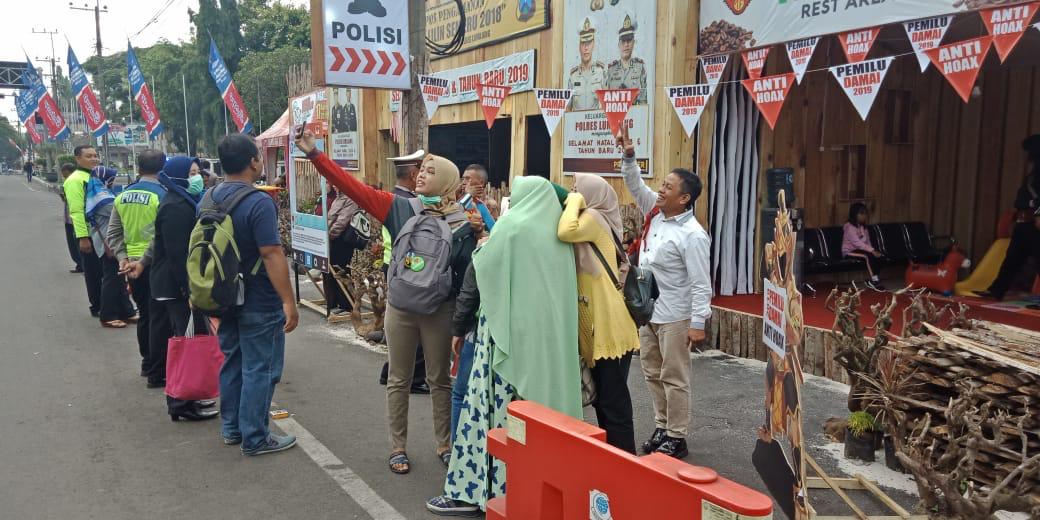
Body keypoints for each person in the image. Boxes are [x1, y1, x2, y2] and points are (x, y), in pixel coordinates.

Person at [297, 131, 477, 475]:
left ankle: (445, 443)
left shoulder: (463, 222)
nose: (420, 174)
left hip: (440, 309)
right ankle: (398, 447)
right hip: (402, 306)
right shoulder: (400, 207)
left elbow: (469, 273)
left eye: (429, 170)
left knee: (439, 380)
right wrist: (315, 155)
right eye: (421, 170)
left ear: (448, 181)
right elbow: (352, 187)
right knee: (399, 377)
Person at [426, 176, 582, 516]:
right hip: (544, 349)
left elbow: (483, 268)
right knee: (536, 419)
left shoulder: (512, 228)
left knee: (491, 414)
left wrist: (482, 246)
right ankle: (531, 493)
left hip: (503, 342)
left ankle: (477, 491)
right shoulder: (558, 236)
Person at [619, 126, 711, 459]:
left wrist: (698, 322)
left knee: (675, 376)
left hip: (675, 316)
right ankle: (661, 426)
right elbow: (634, 183)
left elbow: (702, 283)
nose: (660, 190)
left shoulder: (693, 234)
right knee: (651, 372)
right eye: (663, 184)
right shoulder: (656, 213)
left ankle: (677, 435)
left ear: (684, 198)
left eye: (668, 187)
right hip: (648, 312)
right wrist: (629, 155)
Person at [211, 134, 300, 455]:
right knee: (260, 368)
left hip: (222, 295)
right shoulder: (258, 201)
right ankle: (256, 437)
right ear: (252, 162)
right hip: (259, 299)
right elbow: (271, 253)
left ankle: (232, 428)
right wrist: (289, 301)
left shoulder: (208, 198)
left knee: (232, 361)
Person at [130, 156, 219, 421]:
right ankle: (181, 402)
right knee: (186, 343)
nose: (197, 177)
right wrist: (190, 290)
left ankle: (188, 396)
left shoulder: (183, 201)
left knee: (189, 340)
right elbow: (179, 255)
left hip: (176, 283)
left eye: (197, 172)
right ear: (178, 175)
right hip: (175, 285)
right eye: (191, 173)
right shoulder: (175, 207)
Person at [557, 173, 640, 453]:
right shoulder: (595, 217)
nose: (571, 193)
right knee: (604, 396)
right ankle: (614, 456)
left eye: (577, 189)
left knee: (613, 399)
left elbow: (565, 231)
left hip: (609, 321)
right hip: (600, 318)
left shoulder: (593, 217)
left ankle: (625, 459)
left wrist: (575, 202)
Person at [107, 150, 168, 380]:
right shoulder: (161, 195)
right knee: (160, 317)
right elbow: (161, 234)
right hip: (154, 263)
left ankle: (147, 361)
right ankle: (157, 368)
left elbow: (113, 231)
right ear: (162, 170)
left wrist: (122, 257)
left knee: (145, 314)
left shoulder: (122, 196)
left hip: (131, 264)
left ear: (139, 169)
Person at [377, 150, 428, 395]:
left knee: (402, 325)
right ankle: (412, 377)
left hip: (392, 264)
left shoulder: (394, 197)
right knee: (414, 325)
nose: (424, 176)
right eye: (422, 171)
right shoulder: (405, 203)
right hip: (406, 266)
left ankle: (391, 372)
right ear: (412, 173)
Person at [978, 134, 1040, 301]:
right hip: (1023, 224)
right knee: (1011, 260)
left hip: (1034, 224)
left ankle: (997, 290)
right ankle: (997, 290)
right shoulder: (1034, 171)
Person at [92, 166, 138, 329]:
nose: (113, 181)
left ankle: (127, 311)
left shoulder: (100, 193)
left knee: (119, 277)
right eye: (112, 178)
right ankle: (108, 314)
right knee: (112, 278)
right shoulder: (103, 198)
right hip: (108, 243)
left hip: (107, 241)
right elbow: (122, 210)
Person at [65, 146, 103, 317]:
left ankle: (109, 303)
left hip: (101, 233)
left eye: (95, 156)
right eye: (89, 156)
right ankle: (97, 306)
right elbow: (76, 211)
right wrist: (83, 237)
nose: (94, 159)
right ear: (77, 159)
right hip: (88, 233)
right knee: (93, 271)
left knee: (106, 271)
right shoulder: (75, 180)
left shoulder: (94, 176)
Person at [325, 185, 364, 314]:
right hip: (332, 239)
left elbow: (342, 221)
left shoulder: (350, 198)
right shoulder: (339, 197)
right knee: (331, 270)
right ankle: (334, 301)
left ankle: (346, 303)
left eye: (336, 183)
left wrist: (329, 235)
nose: (334, 186)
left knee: (341, 269)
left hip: (342, 240)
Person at [605, 14, 648, 105]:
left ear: (633, 42)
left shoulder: (640, 68)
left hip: (634, 116)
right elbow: (606, 103)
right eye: (623, 41)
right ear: (619, 44)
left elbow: (643, 102)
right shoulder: (611, 70)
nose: (626, 45)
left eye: (629, 40)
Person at [567, 18, 606, 111]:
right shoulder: (573, 76)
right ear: (579, 46)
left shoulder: (601, 73)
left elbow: (607, 105)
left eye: (589, 43)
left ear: (593, 44)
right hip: (577, 125)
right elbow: (568, 108)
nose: (586, 48)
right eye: (583, 43)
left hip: (595, 124)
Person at [842, 202, 883, 291]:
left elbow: (868, 241)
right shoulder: (849, 227)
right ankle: (874, 281)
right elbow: (857, 243)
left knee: (878, 255)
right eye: (861, 214)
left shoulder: (863, 227)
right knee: (867, 256)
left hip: (861, 250)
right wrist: (871, 251)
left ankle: (875, 279)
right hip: (849, 251)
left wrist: (873, 250)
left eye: (865, 214)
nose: (864, 216)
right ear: (854, 214)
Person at [59, 163, 83, 273]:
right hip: (68, 218)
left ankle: (83, 265)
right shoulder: (67, 184)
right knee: (72, 244)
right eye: (63, 176)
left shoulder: (78, 183)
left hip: (76, 220)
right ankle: (79, 264)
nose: (65, 178)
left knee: (78, 244)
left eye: (66, 175)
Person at [461, 164, 496, 232]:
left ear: (481, 183)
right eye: (463, 179)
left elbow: (493, 232)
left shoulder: (488, 205)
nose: (463, 182)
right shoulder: (454, 198)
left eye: (468, 179)